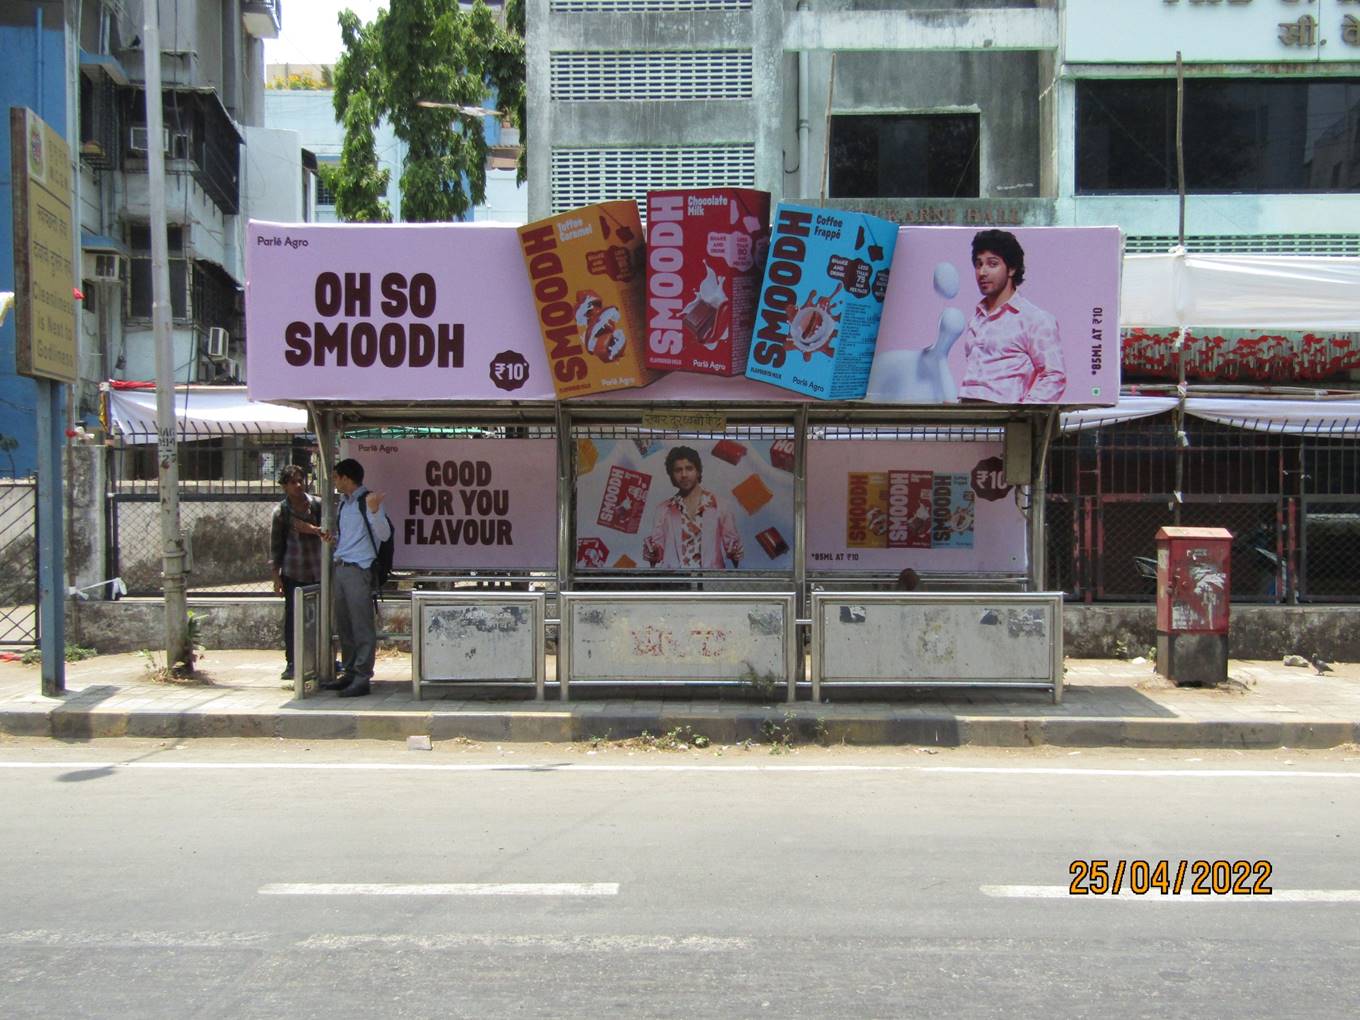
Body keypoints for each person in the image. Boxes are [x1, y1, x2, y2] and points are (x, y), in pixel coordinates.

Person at [957, 229, 1066, 403]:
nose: (982, 272)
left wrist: (1022, 415)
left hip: (1006, 420)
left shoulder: (1035, 319)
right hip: (968, 417)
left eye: (992, 264)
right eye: (978, 264)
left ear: (1012, 269)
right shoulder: (977, 318)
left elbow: (1054, 376)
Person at [322, 457, 391, 698]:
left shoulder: (368, 502)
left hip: (359, 570)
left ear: (346, 478)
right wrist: (335, 542)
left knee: (361, 625)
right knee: (345, 624)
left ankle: (362, 676)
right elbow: (350, 538)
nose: (335, 482)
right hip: (341, 566)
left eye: (337, 477)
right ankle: (350, 671)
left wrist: (374, 511)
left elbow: (383, 534)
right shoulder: (344, 504)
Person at [641, 446, 744, 569]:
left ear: (698, 471)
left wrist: (736, 554)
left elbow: (732, 548)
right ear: (672, 475)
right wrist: (652, 553)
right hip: (676, 584)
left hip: (709, 583)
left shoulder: (720, 505)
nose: (684, 475)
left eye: (689, 468)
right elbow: (657, 552)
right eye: (678, 470)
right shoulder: (663, 509)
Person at [270, 465, 324, 683]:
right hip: (294, 570)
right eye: (293, 482)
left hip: (318, 568)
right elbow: (276, 547)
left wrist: (310, 529)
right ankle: (292, 661)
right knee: (294, 618)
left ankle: (325, 657)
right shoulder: (281, 512)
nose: (298, 485)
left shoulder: (317, 505)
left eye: (301, 480)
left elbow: (329, 531)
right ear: (284, 486)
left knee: (322, 615)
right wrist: (276, 578)